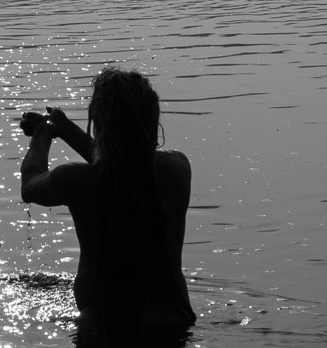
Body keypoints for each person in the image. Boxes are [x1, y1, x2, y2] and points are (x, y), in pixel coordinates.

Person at [18, 66, 195, 334]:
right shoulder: (177, 169)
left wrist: (41, 135)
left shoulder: (76, 180)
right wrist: (65, 129)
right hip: (173, 327)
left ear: (100, 121)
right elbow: (125, 164)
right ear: (151, 118)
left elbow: (30, 186)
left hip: (103, 334)